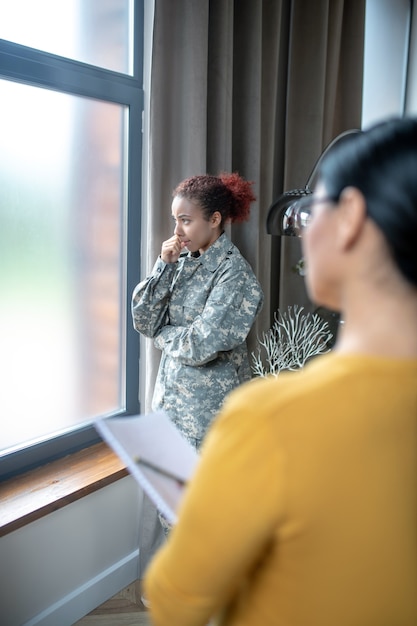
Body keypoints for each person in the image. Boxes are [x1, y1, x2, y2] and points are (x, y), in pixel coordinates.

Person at [143, 117, 417, 626]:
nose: (300, 234)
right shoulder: (180, 265)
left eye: (308, 214)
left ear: (351, 216)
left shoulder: (270, 420)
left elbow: (175, 598)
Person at [132, 172, 264, 449]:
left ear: (214, 220)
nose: (177, 232)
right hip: (170, 411)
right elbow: (143, 320)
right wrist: (163, 267)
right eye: (175, 220)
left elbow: (199, 345)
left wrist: (162, 335)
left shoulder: (235, 275)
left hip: (211, 424)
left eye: (186, 221)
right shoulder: (179, 262)